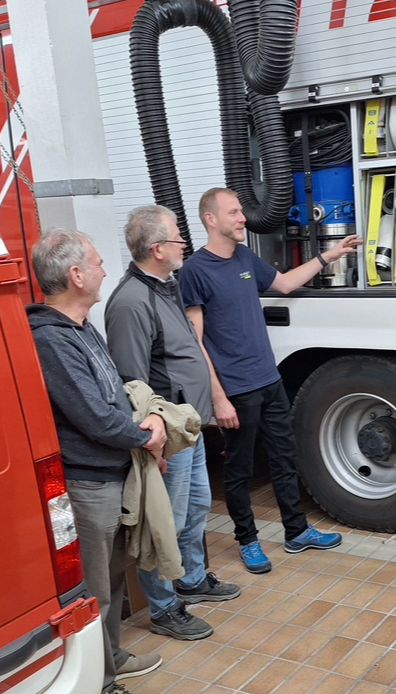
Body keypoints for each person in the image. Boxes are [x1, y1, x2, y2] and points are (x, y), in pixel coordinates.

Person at [180, 187, 362, 573]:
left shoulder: (245, 256)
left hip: (268, 378)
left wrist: (328, 255)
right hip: (236, 389)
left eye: (241, 212)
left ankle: (296, 532)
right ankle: (247, 541)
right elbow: (195, 343)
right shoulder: (195, 271)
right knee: (240, 470)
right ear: (211, 219)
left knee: (284, 457)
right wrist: (219, 398)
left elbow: (283, 283)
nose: (243, 218)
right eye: (233, 213)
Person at [26, 228, 165, 694]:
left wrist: (144, 419)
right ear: (76, 275)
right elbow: (95, 416)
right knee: (94, 589)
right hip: (88, 483)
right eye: (99, 263)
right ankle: (98, 689)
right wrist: (147, 435)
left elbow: (113, 399)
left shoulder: (83, 328)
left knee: (114, 576)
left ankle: (114, 656)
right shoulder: (51, 339)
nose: (107, 270)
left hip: (111, 474)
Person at [105, 204, 239, 641]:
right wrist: (154, 445)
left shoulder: (166, 286)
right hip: (168, 435)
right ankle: (164, 609)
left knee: (195, 509)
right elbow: (133, 383)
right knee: (165, 522)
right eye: (179, 238)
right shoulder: (130, 301)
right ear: (159, 248)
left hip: (189, 426)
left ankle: (193, 580)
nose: (186, 244)